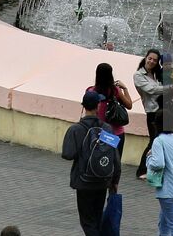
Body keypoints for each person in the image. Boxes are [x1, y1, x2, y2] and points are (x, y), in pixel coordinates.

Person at [61, 90, 116, 236]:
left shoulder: (75, 129)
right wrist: (114, 180)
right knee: (97, 218)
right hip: (102, 180)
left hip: (83, 181)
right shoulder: (107, 128)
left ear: (83, 106)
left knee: (87, 221)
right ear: (98, 106)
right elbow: (114, 156)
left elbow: (67, 154)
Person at [134, 49, 173, 177]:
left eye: (155, 60)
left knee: (165, 140)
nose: (152, 61)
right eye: (150, 58)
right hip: (153, 111)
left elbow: (169, 90)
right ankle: (142, 170)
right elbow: (152, 89)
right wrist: (171, 87)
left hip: (165, 109)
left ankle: (159, 169)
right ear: (146, 58)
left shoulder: (157, 73)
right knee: (154, 140)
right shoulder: (139, 75)